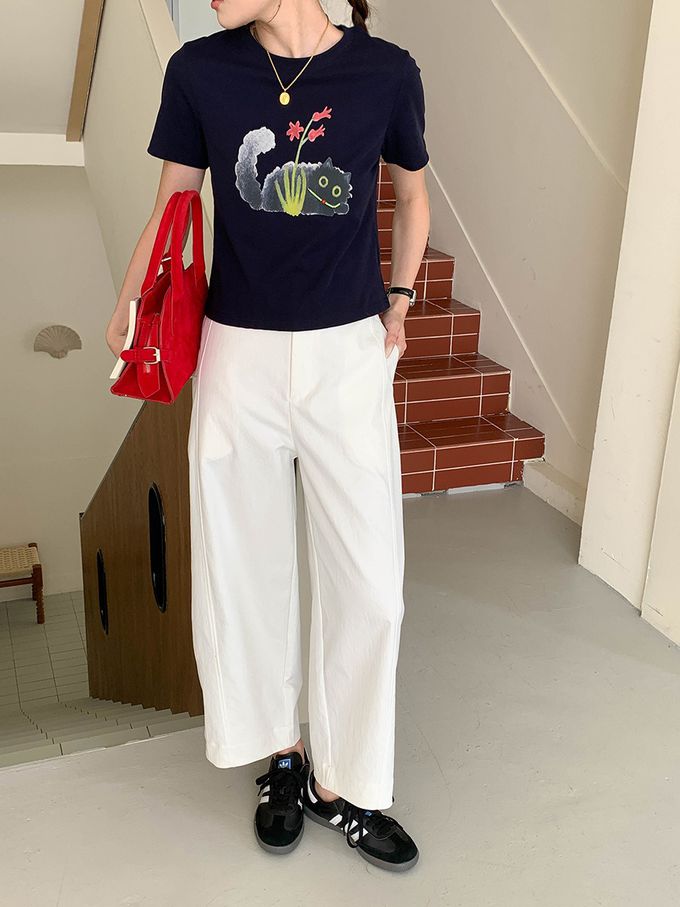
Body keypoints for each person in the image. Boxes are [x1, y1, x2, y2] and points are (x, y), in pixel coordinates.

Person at [107, 0, 430, 874]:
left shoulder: (385, 71)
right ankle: (282, 755)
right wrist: (131, 305)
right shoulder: (200, 71)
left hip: (347, 353)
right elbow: (173, 203)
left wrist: (401, 300)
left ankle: (345, 781)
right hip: (236, 352)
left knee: (371, 583)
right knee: (242, 565)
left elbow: (412, 195)